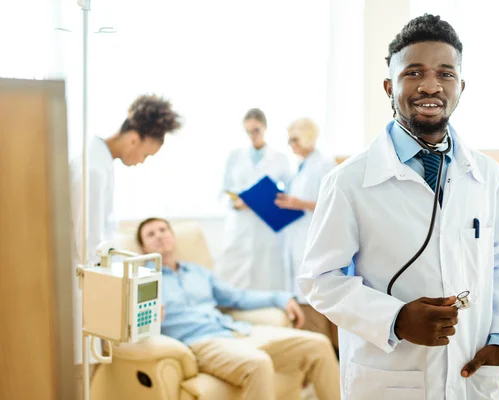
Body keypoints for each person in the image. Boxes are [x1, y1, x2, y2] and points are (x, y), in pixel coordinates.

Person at [297, 14, 499, 400]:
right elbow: (319, 279)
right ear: (390, 86)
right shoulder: (348, 181)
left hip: (473, 368)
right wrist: (396, 319)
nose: (430, 85)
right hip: (391, 376)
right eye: (414, 73)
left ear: (461, 86)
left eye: (445, 74)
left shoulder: (487, 174)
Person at [136, 217, 341, 400]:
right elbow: (137, 324)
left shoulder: (198, 272)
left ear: (172, 236)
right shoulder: (145, 282)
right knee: (258, 364)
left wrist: (281, 298)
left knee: (319, 344)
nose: (159, 236)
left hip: (237, 331)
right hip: (202, 342)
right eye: (151, 234)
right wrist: (151, 321)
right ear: (144, 247)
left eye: (163, 230)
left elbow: (237, 297)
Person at [69, 94, 181, 369]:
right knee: (81, 373)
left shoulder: (99, 161)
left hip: (87, 286)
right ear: (133, 139)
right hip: (80, 289)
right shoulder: (93, 169)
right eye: (145, 154)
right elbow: (90, 248)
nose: (142, 161)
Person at [274, 117, 337, 349]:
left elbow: (332, 204)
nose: (290, 145)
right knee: (302, 296)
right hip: (297, 238)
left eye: (294, 139)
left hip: (313, 240)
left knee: (313, 299)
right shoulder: (302, 165)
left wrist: (297, 202)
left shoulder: (323, 164)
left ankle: (323, 360)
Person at [216, 108, 292, 291]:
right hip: (240, 224)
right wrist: (235, 203)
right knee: (232, 277)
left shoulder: (280, 158)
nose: (252, 135)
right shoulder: (234, 156)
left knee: (267, 277)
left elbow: (288, 194)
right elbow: (223, 192)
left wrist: (270, 200)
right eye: (248, 131)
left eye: (256, 130)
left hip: (267, 227)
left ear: (265, 128)